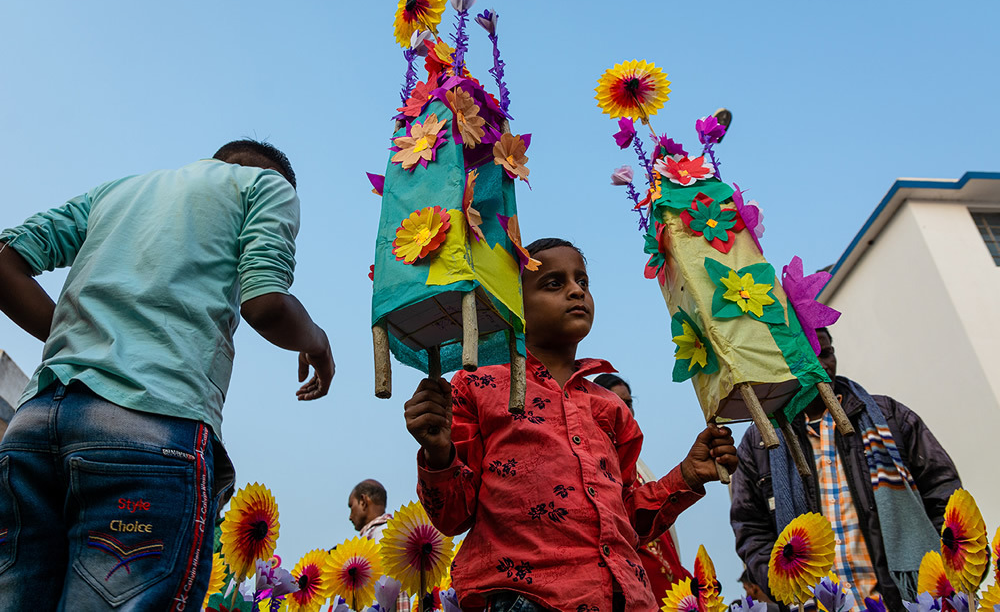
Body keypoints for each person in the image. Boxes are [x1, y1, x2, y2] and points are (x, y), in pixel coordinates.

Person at [0, 140, 334, 611]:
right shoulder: (266, 187)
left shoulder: (116, 191)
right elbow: (266, 303)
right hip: (149, 430)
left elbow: (4, 258)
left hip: (34, 425)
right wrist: (318, 344)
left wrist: (78, 338)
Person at [404, 238, 737, 611]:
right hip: (523, 598)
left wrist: (688, 475)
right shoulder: (477, 385)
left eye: (583, 281)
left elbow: (626, 520)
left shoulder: (610, 407)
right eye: (553, 283)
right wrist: (438, 452)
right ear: (514, 302)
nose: (576, 290)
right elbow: (453, 516)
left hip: (625, 599)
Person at [730, 327, 961, 610]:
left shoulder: (889, 416)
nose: (822, 365)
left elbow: (945, 498)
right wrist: (787, 585)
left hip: (905, 602)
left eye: (826, 353)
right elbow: (750, 529)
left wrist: (943, 572)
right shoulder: (760, 444)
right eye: (809, 356)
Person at [592, 373, 692, 600]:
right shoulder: (595, 464)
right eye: (615, 403)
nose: (624, 410)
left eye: (628, 403)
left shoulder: (639, 467)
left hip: (671, 592)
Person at [348, 479, 411, 611]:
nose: (350, 516)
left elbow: (390, 589)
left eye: (351, 506)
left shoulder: (382, 535)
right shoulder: (394, 532)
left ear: (363, 501)